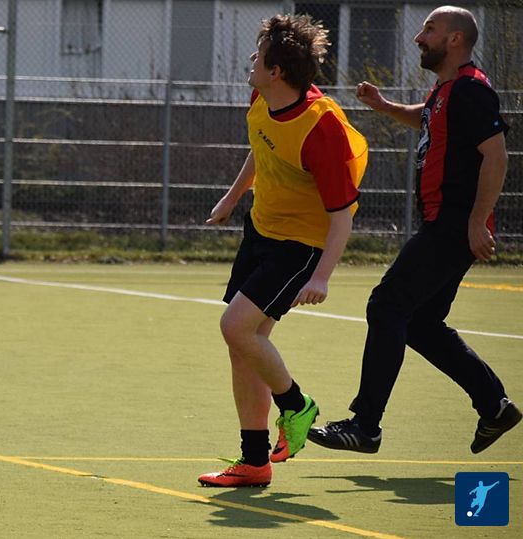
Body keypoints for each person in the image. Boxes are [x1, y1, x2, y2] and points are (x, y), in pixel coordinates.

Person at [307, 6, 520, 456]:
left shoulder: (471, 90)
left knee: (386, 305)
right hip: (444, 224)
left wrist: (477, 220)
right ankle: (495, 406)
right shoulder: (447, 91)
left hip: (452, 225)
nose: (418, 37)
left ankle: (366, 425)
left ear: (455, 39)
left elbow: (496, 155)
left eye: (429, 29)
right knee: (421, 324)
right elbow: (427, 117)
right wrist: (385, 107)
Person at [198, 14, 368, 488]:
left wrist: (322, 277)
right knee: (243, 346)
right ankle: (255, 461)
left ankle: (296, 404)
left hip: (301, 246)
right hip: (261, 231)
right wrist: (231, 199)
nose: (252, 60)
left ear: (276, 71)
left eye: (260, 56)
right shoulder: (263, 96)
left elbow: (342, 214)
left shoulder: (322, 129)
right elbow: (263, 146)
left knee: (235, 326)